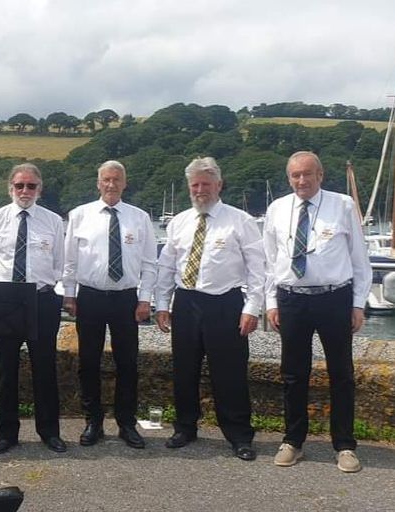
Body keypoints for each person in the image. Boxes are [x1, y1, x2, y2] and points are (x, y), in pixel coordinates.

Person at [264, 151, 371, 473]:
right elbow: (270, 262)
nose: (301, 181)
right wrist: (271, 303)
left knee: (341, 374)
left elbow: (359, 259)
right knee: (293, 375)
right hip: (292, 299)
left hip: (333, 298)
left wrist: (357, 304)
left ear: (320, 175)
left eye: (307, 174)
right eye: (295, 175)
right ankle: (293, 441)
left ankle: (345, 445)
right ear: (289, 178)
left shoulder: (342, 205)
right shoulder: (277, 208)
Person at [155, 156, 263, 461]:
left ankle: (239, 434)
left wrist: (253, 308)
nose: (200, 190)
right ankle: (185, 427)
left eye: (205, 184)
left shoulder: (240, 220)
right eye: (195, 185)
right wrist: (162, 304)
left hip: (225, 303)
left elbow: (258, 268)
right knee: (183, 371)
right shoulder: (179, 221)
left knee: (230, 374)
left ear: (218, 184)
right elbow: (166, 266)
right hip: (187, 301)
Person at [63, 160, 157, 449]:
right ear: (98, 182)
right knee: (88, 362)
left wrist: (145, 299)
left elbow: (150, 263)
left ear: (125, 183)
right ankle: (94, 421)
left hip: (126, 298)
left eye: (116, 179)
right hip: (90, 296)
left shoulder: (139, 218)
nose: (111, 184)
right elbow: (70, 260)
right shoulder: (79, 216)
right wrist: (69, 294)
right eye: (106, 179)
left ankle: (126, 423)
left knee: (127, 363)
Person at [0, 163, 67, 454]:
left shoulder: (53, 222)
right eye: (19, 186)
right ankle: (6, 434)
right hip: (5, 302)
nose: (25, 191)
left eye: (31, 186)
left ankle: (49, 432)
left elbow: (60, 264)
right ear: (10, 188)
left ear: (40, 189)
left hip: (41, 299)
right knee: (5, 370)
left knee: (45, 368)